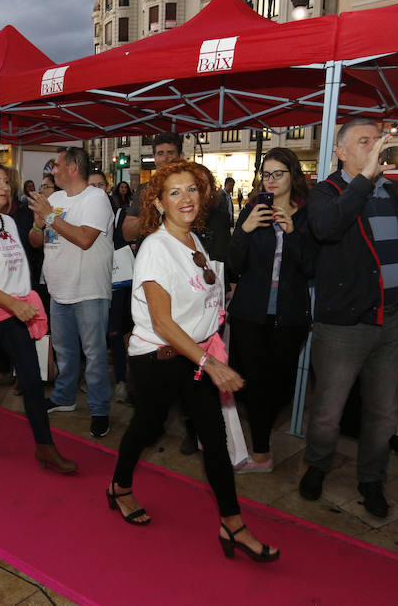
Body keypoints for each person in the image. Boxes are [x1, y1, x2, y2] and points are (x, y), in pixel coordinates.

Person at [108, 160, 279, 562]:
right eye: (174, 192)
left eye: (192, 189)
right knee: (147, 428)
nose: (186, 198)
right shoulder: (155, 248)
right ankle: (118, 487)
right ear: (160, 203)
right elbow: (164, 323)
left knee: (214, 439)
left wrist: (209, 349)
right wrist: (213, 363)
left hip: (195, 357)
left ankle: (232, 524)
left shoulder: (195, 241)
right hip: (160, 358)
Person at [300, 122, 398, 518]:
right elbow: (327, 227)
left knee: (384, 411)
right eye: (364, 141)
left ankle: (372, 480)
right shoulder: (326, 192)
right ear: (341, 152)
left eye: (378, 141)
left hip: (393, 321)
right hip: (342, 327)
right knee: (328, 411)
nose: (375, 147)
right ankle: (316, 465)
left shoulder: (397, 193)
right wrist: (364, 180)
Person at [0, 160, 76, 472]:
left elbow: (16, 268)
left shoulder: (6, 222)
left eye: (5, 182)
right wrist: (14, 304)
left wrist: (21, 303)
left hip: (15, 313)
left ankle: (45, 447)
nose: (3, 188)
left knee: (33, 381)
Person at [228, 148, 316, 473]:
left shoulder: (306, 215)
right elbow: (235, 265)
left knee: (280, 385)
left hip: (289, 315)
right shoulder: (252, 210)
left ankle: (262, 435)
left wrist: (292, 234)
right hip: (250, 314)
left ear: (293, 176)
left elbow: (311, 267)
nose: (272, 180)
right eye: (267, 174)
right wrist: (245, 230)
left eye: (279, 173)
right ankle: (262, 453)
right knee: (254, 383)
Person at [28, 147, 114, 438]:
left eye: (57, 165)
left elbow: (85, 239)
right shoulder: (54, 199)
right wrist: (40, 222)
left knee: (94, 354)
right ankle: (64, 398)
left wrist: (49, 217)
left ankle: (100, 409)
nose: (53, 170)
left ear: (74, 167)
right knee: (64, 351)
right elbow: (36, 240)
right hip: (59, 289)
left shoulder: (96, 198)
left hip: (89, 289)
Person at [90, 170, 132, 406]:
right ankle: (96, 380)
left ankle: (121, 381)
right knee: (93, 333)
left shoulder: (119, 214)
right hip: (90, 282)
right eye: (91, 185)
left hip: (115, 282)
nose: (96, 189)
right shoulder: (79, 214)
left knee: (115, 332)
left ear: (107, 187)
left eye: (100, 185)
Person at [122, 132, 183, 241]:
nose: (165, 158)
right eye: (160, 153)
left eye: (170, 153)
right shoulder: (145, 189)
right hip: (150, 253)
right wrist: (153, 211)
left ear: (180, 156)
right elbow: (127, 233)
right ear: (154, 157)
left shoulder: (190, 189)